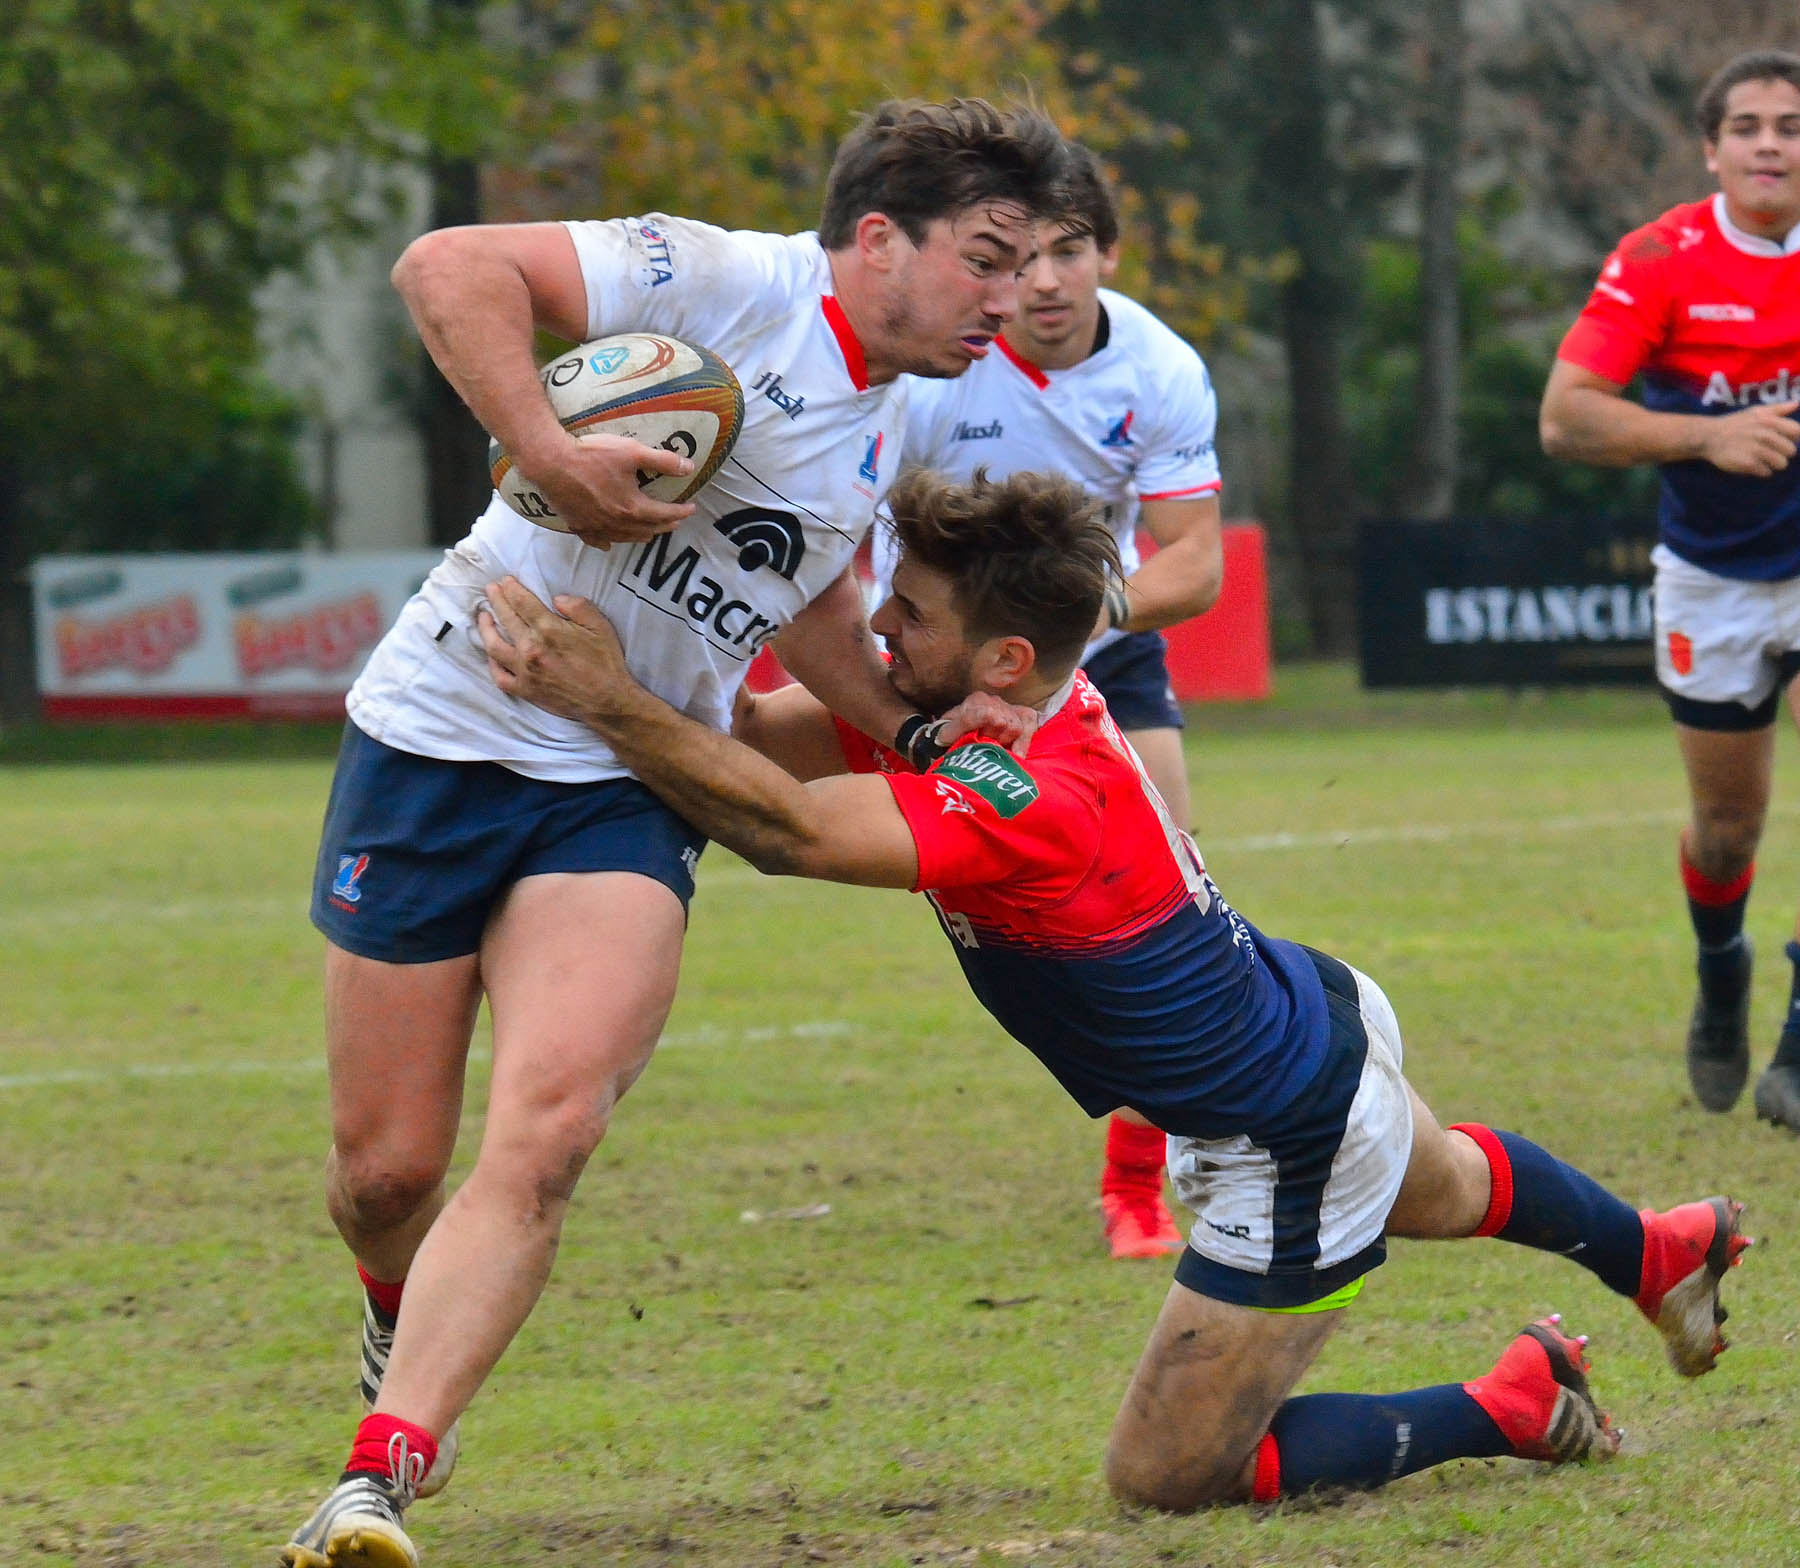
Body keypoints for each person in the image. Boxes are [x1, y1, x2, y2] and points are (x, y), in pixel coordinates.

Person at [477, 465, 1750, 1512]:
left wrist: (607, 699)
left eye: (905, 614)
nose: (877, 634)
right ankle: (1655, 1247)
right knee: (1446, 1183)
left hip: (1282, 1127)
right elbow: (748, 741)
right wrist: (634, 639)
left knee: (1169, 1474)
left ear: (1004, 653)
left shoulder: (1032, 792)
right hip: (1305, 1017)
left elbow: (785, 829)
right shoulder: (975, 699)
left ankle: (1508, 1403)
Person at [279, 99, 1074, 1568]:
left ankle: (377, 1478)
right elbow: (446, 267)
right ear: (880, 238)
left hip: (624, 781)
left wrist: (912, 735)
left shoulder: (887, 412)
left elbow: (815, 607)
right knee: (384, 1174)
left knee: (553, 1124)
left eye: (1031, 261)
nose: (1016, 292)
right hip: (441, 734)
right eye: (986, 255)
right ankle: (396, 1309)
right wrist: (546, 449)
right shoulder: (721, 279)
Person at [878, 143, 1225, 1260]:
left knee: (1166, 892)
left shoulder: (1161, 369)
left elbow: (1195, 565)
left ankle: (1137, 1184)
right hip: (937, 654)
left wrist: (1068, 632)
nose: (1043, 280)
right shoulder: (943, 363)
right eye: (1023, 256)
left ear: (1106, 256)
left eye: (1068, 252)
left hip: (1097, 647)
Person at [1540, 49, 1800, 1128]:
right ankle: (1721, 969)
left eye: (1791, 125)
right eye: (1748, 126)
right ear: (1712, 147)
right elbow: (1567, 417)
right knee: (1727, 825)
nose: (1772, 144)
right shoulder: (1662, 258)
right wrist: (1710, 433)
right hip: (1714, 580)